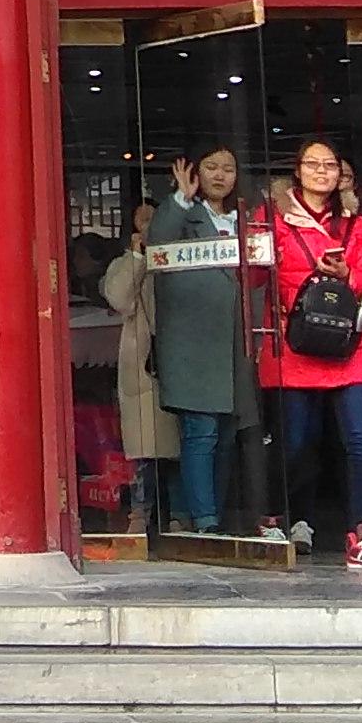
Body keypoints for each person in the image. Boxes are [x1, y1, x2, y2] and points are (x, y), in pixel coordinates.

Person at [258, 138, 362, 572]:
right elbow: (250, 277)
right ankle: (273, 519)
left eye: (330, 165)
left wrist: (348, 273)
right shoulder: (271, 217)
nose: (321, 171)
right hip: (294, 342)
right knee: (294, 443)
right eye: (312, 164)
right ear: (297, 171)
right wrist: (262, 253)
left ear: (340, 173)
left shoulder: (356, 223)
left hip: (348, 343)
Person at [145, 150, 250, 536]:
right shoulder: (184, 215)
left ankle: (210, 514)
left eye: (228, 168)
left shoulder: (245, 219)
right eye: (211, 167)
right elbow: (156, 245)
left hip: (236, 343)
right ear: (194, 171)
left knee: (227, 436)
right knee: (200, 432)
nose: (220, 175)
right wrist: (180, 198)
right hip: (193, 345)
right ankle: (205, 522)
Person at [98, 200, 170, 533]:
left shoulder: (177, 257)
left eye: (155, 218)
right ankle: (140, 515)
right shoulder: (124, 263)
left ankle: (182, 517)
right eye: (142, 219)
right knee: (146, 447)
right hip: (143, 363)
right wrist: (138, 256)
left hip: (178, 356)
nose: (149, 224)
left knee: (185, 444)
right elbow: (119, 298)